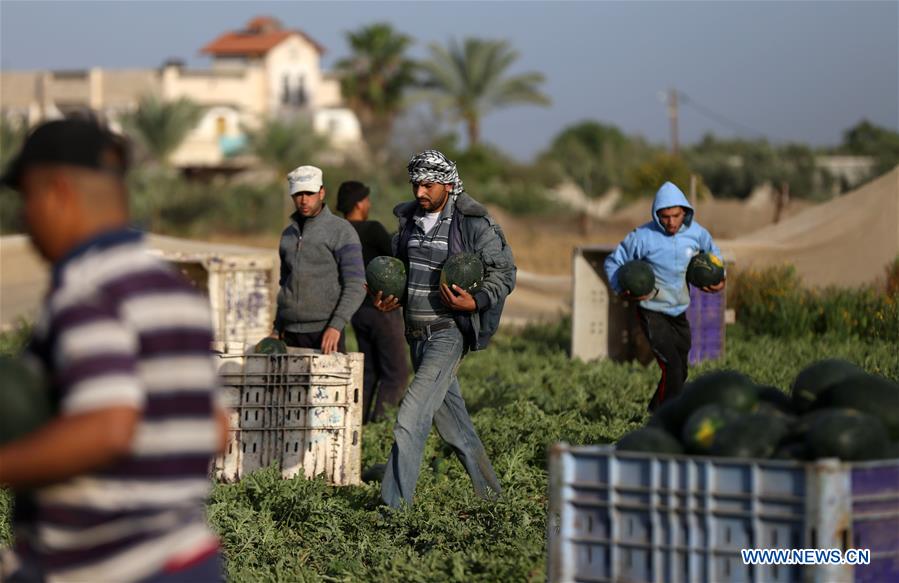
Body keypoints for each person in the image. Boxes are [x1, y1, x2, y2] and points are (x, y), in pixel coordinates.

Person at [0, 118, 228, 582]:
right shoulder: (176, 291)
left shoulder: (87, 292)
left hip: (112, 567)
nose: (24, 218)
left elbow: (107, 426)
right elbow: (217, 428)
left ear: (56, 193)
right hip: (189, 558)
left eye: (26, 200)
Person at [372, 149, 516, 509]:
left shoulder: (473, 224)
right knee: (456, 431)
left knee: (409, 419)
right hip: (415, 335)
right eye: (416, 184)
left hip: (448, 334)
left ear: (448, 185)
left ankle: (393, 509)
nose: (420, 192)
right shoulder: (407, 224)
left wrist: (477, 301)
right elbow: (406, 277)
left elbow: (505, 273)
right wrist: (392, 299)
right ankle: (494, 500)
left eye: (428, 185)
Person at [604, 181, 725, 412]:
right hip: (651, 310)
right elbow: (613, 261)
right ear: (657, 214)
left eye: (676, 215)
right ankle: (666, 417)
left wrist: (720, 278)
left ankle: (653, 411)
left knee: (682, 369)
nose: (670, 222)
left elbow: (715, 256)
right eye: (665, 216)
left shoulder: (697, 234)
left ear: (685, 213)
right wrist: (620, 287)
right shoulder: (642, 236)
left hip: (679, 310)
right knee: (673, 367)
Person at [336, 180, 410, 423]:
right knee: (396, 374)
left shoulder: (338, 231)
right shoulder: (372, 229)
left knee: (369, 373)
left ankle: (357, 425)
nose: (369, 204)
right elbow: (396, 257)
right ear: (359, 203)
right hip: (382, 311)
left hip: (357, 312)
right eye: (366, 200)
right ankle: (380, 427)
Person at [272, 166, 365, 354]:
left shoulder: (341, 231)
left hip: (325, 334)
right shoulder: (287, 236)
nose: (304, 200)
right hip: (289, 335)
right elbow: (285, 286)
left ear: (321, 193)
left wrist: (336, 325)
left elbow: (356, 284)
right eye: (298, 194)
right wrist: (276, 330)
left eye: (310, 193)